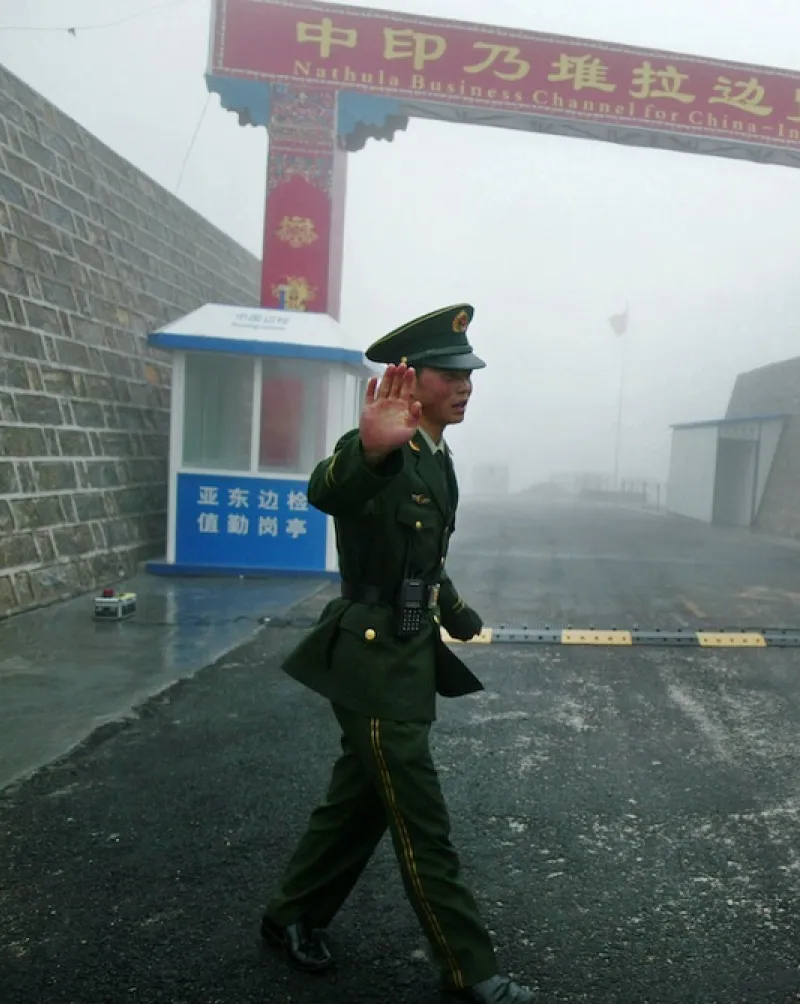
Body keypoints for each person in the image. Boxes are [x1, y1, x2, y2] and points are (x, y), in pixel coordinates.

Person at [259, 304, 537, 1004]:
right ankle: (471, 970)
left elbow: (422, 561)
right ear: (411, 380)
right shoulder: (384, 449)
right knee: (421, 819)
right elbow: (329, 489)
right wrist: (372, 449)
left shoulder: (439, 459)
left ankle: (291, 916)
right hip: (374, 660)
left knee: (359, 803)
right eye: (452, 373)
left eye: (469, 372)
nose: (466, 385)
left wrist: (457, 611)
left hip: (408, 654)